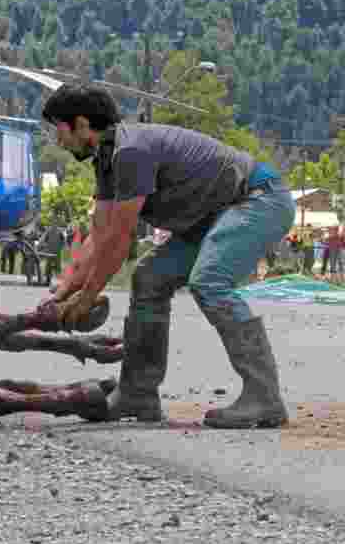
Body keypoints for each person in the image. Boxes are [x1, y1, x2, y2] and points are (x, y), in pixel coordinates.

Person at [38, 83, 295, 429]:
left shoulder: (131, 152)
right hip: (213, 216)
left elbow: (118, 241)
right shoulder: (108, 160)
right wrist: (62, 292)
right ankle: (138, 394)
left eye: (59, 129)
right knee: (149, 278)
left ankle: (264, 397)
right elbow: (98, 235)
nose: (58, 139)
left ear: (82, 125)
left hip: (256, 199)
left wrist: (85, 299)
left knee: (210, 281)